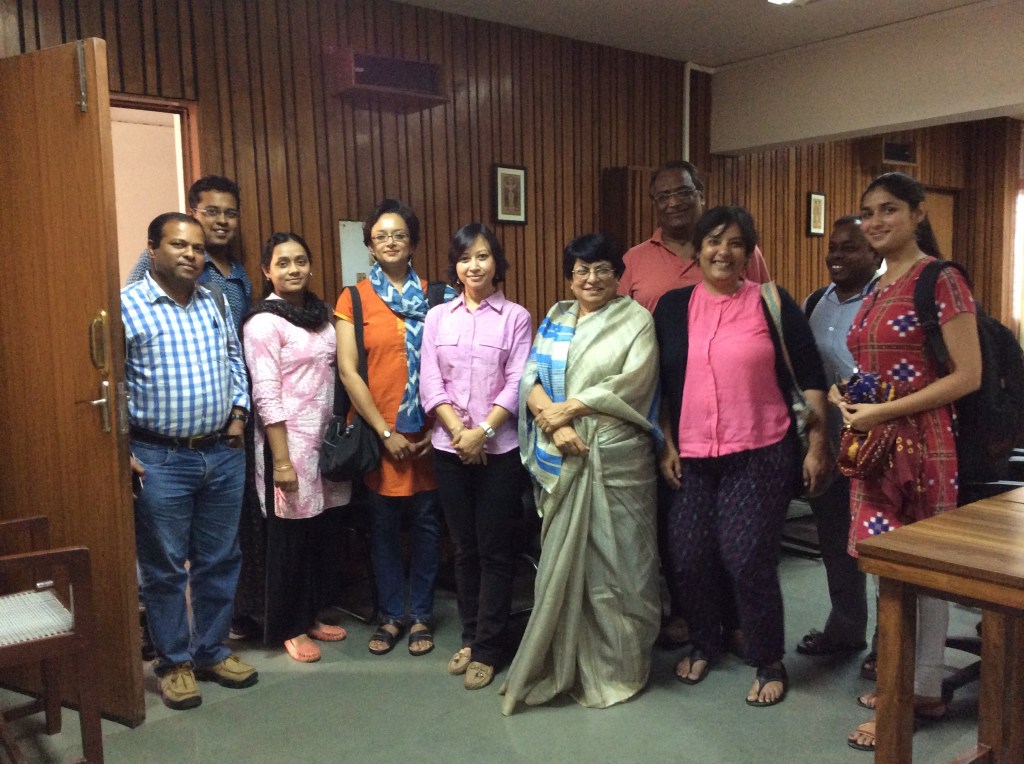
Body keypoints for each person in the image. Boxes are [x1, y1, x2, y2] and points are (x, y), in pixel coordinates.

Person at [653, 206, 829, 707]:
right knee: (688, 556)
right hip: (691, 455)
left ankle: (768, 659)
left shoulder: (771, 302)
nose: (723, 252)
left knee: (747, 556)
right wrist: (666, 444)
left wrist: (818, 446)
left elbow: (811, 377)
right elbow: (660, 384)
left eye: (735, 243)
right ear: (698, 250)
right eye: (713, 241)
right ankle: (705, 641)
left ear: (749, 252)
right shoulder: (672, 307)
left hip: (759, 452)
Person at [840, 173, 980, 752]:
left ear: (919, 213)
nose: (875, 222)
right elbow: (875, 364)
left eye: (889, 209)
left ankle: (919, 691)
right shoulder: (877, 284)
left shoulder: (940, 279)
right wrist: (848, 395)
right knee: (888, 571)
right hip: (876, 446)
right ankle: (904, 680)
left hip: (923, 446)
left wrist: (885, 411)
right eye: (867, 212)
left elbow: (967, 376)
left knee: (922, 573)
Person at [500, 234, 662, 714]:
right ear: (569, 278)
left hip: (615, 456)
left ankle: (618, 667)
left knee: (623, 567)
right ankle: (565, 662)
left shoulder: (636, 320)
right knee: (566, 565)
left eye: (602, 269)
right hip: (564, 450)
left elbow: (633, 383)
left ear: (618, 275)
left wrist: (567, 410)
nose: (591, 279)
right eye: (581, 270)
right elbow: (528, 378)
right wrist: (555, 420)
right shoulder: (556, 317)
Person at [617, 160, 772, 650]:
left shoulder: (738, 251)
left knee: (736, 526)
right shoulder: (635, 259)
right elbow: (617, 324)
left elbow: (763, 314)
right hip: (662, 404)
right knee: (679, 520)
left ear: (700, 192)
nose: (673, 203)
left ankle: (738, 617)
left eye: (682, 192)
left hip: (735, 408)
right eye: (662, 196)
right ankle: (687, 612)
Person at [123, 212, 257, 710]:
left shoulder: (213, 301)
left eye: (198, 248)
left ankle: (211, 651)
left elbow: (234, 360)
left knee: (220, 559)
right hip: (159, 457)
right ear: (152, 249)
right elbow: (110, 384)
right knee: (163, 569)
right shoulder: (127, 307)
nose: (191, 255)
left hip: (222, 452)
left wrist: (239, 414)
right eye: (179, 245)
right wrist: (121, 451)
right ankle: (174, 662)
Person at [419, 223, 532, 690]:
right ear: (456, 266)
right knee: (463, 549)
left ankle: (489, 647)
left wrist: (482, 433)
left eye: (483, 256)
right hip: (450, 449)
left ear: (496, 262)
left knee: (495, 551)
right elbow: (430, 380)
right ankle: (470, 637)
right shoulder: (437, 318)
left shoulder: (516, 317)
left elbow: (518, 381)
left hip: (499, 452)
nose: (474, 265)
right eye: (465, 258)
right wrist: (459, 434)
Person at [335, 199, 449, 657]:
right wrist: (385, 432)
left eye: (399, 234)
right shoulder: (354, 298)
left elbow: (452, 367)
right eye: (381, 236)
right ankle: (390, 615)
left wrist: (435, 432)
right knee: (381, 526)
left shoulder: (438, 296)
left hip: (429, 433)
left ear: (413, 242)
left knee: (426, 525)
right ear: (369, 245)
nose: (390, 242)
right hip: (377, 433)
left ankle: (420, 614)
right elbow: (348, 371)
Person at [241, 233, 352, 663]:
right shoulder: (263, 323)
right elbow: (266, 395)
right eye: (283, 263)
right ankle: (288, 626)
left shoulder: (322, 317)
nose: (293, 269)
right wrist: (282, 462)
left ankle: (309, 614)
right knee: (287, 538)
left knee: (317, 534)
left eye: (300, 261)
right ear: (267, 271)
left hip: (324, 444)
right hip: (286, 445)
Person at [796, 217, 880, 660]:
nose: (837, 256)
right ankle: (846, 630)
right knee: (835, 541)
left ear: (875, 254)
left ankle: (891, 647)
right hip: (827, 445)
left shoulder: (885, 301)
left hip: (879, 447)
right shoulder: (816, 301)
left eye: (850, 247)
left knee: (883, 546)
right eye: (833, 247)